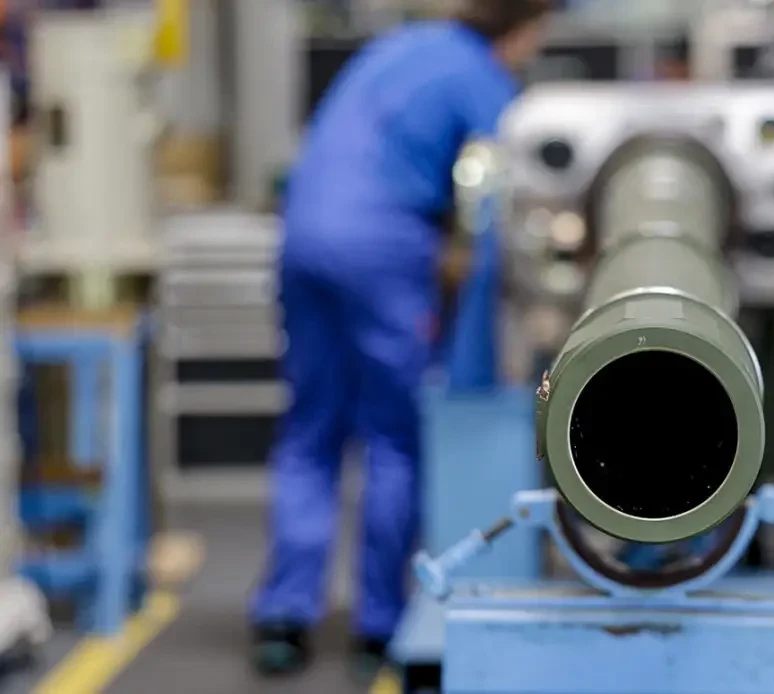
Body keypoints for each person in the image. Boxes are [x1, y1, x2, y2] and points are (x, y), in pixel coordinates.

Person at [249, 0, 552, 680]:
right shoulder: (481, 78)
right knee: (393, 435)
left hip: (303, 238)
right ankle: (379, 625)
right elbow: (504, 199)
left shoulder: (396, 47)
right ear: (524, 31)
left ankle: (283, 617)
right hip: (382, 250)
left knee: (310, 429)